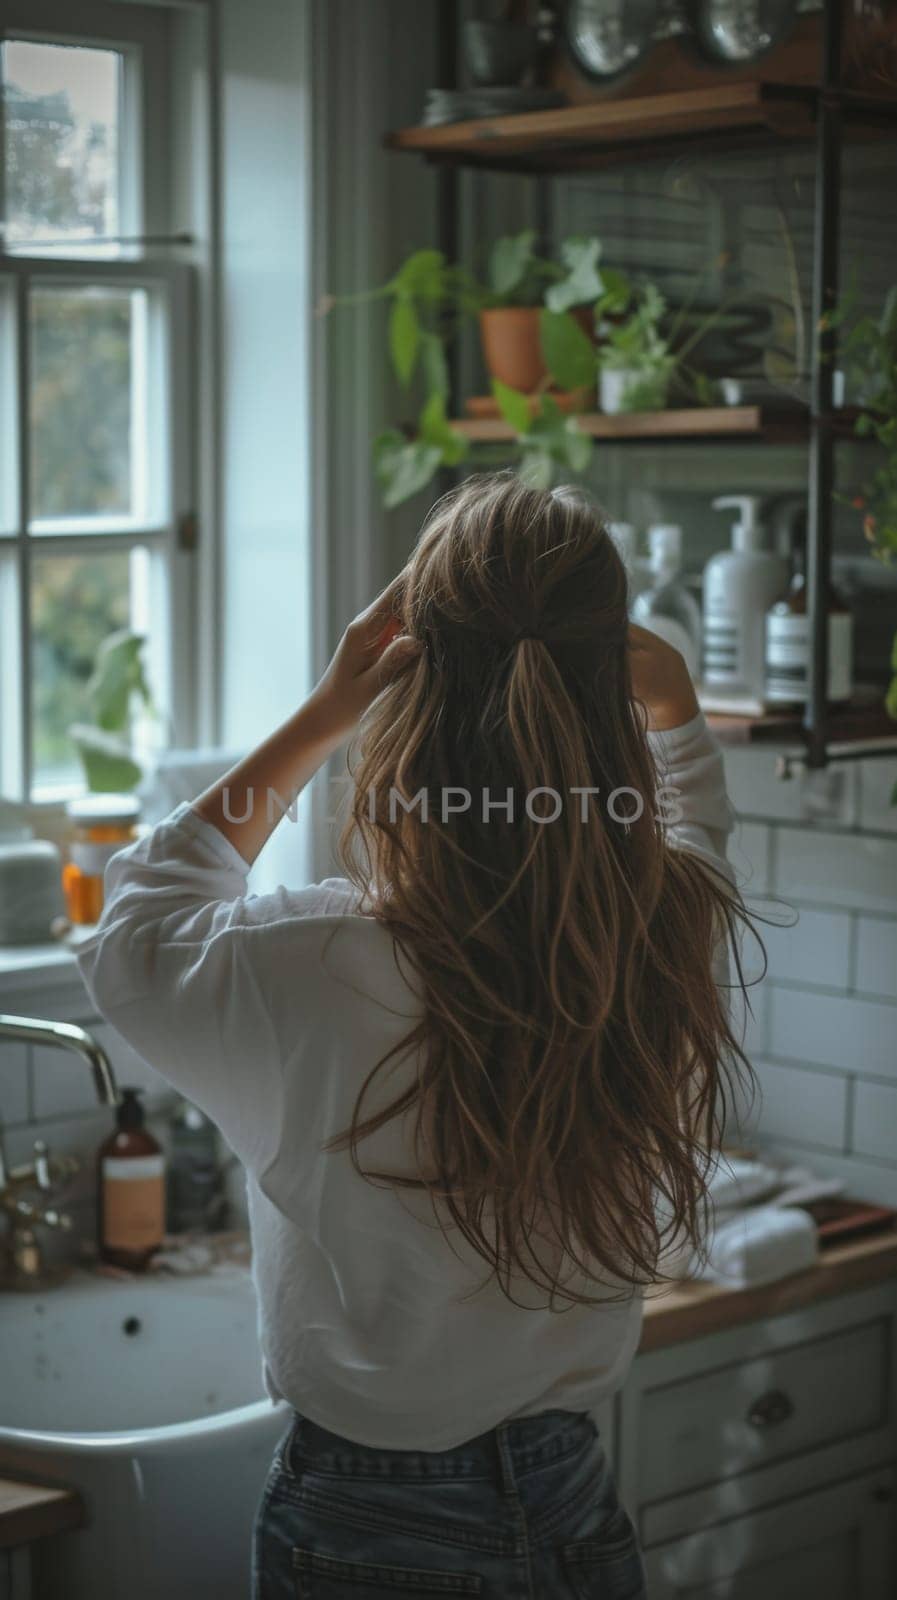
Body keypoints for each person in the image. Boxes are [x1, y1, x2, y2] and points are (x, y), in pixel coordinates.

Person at [78, 473, 757, 1599]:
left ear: (410, 692)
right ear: (606, 689)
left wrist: (322, 710)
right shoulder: (659, 934)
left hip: (365, 1525)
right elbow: (696, 832)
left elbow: (135, 927)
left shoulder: (306, 964)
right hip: (576, 1507)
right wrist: (674, 706)